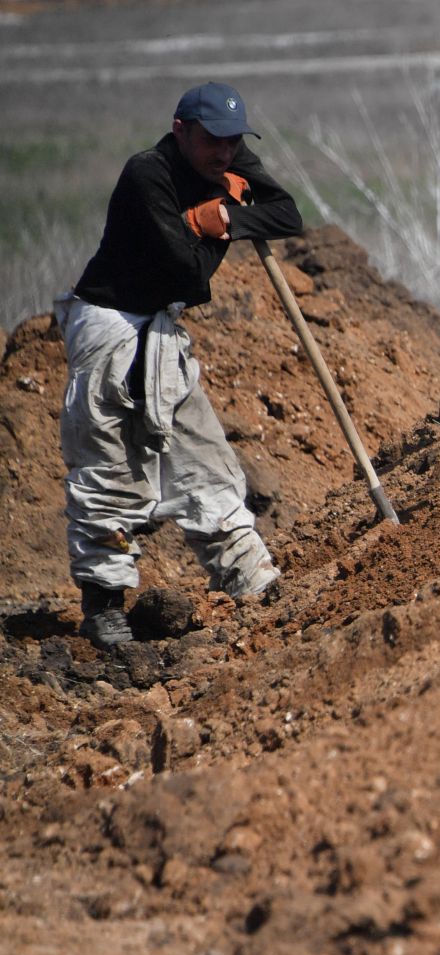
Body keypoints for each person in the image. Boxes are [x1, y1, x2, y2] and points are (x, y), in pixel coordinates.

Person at [57, 82, 303, 648]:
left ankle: (252, 580)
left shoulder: (232, 161)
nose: (226, 153)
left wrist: (227, 217)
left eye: (234, 142)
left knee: (204, 457)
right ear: (180, 131)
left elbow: (287, 214)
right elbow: (188, 274)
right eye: (214, 141)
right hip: (110, 323)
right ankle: (103, 605)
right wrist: (203, 223)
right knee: (107, 462)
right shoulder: (148, 174)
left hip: (163, 326)